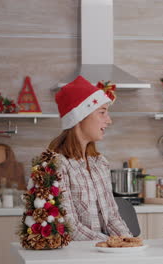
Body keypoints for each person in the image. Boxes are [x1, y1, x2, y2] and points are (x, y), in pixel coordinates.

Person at [48, 76, 131, 240]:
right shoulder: (57, 165)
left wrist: (129, 242)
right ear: (80, 117)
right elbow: (69, 226)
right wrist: (110, 243)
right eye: (102, 112)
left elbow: (112, 217)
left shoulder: (100, 163)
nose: (109, 120)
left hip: (105, 254)